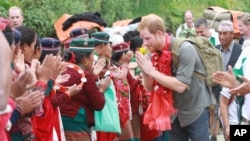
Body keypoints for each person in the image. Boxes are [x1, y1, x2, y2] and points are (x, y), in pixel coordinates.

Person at [136, 14, 214, 141]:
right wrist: (145, 71)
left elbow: (181, 86)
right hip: (174, 114)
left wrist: (152, 72)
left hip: (195, 111)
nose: (144, 43)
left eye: (147, 38)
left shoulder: (184, 49)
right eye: (143, 39)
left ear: (159, 33)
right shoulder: (152, 54)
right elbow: (150, 88)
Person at [51, 38, 110, 141]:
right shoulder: (83, 75)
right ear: (85, 59)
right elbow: (98, 104)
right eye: (92, 56)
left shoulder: (61, 71)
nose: (94, 59)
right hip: (77, 124)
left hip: (60, 122)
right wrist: (101, 89)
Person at [210, 20, 242, 141]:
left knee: (234, 129)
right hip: (218, 94)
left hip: (235, 98)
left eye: (225, 33)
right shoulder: (215, 50)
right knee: (224, 127)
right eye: (220, 33)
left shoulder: (240, 50)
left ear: (232, 34)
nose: (221, 36)